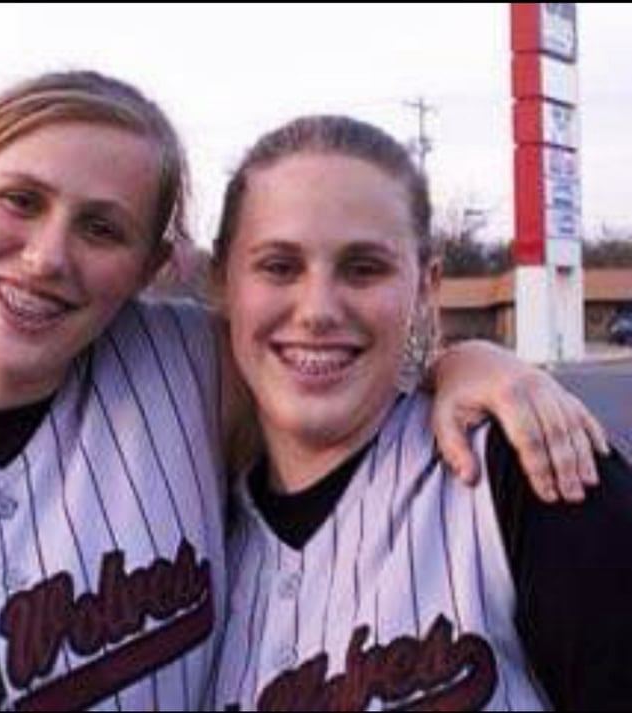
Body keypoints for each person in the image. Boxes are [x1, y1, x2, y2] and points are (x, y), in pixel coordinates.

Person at [0, 73, 606, 712]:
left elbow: (321, 347)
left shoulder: (183, 370)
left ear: (151, 264)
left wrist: (467, 363)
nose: (47, 255)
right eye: (19, 199)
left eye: (102, 228)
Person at [207, 115, 632, 711]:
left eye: (364, 268)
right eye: (279, 266)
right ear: (222, 282)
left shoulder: (534, 469)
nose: (318, 310)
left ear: (427, 286)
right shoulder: (196, 528)